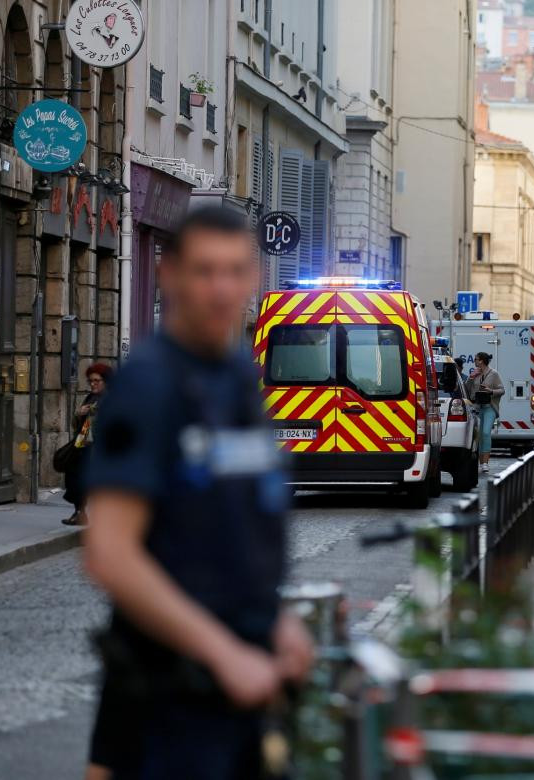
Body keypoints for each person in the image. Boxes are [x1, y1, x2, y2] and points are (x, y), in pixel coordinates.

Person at [82, 206, 314, 780]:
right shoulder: (147, 385)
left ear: (254, 278)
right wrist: (222, 652)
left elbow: (238, 535)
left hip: (243, 691)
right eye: (206, 271)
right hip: (168, 698)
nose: (221, 288)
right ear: (170, 275)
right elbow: (111, 555)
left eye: (235, 271)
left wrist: (277, 621)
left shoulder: (238, 374)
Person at [63, 363, 113, 526]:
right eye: (91, 381)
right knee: (74, 478)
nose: (93, 384)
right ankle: (80, 512)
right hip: (83, 445)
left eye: (97, 381)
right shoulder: (90, 398)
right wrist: (79, 413)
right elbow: (76, 424)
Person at [464, 351, 505, 472]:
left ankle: (485, 463)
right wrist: (471, 378)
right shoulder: (474, 373)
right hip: (476, 408)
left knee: (486, 433)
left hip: (489, 407)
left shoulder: (494, 374)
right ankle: (480, 462)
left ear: (481, 361)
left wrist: (490, 391)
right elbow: (466, 389)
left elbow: (502, 390)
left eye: (476, 359)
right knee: (478, 435)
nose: (474, 361)